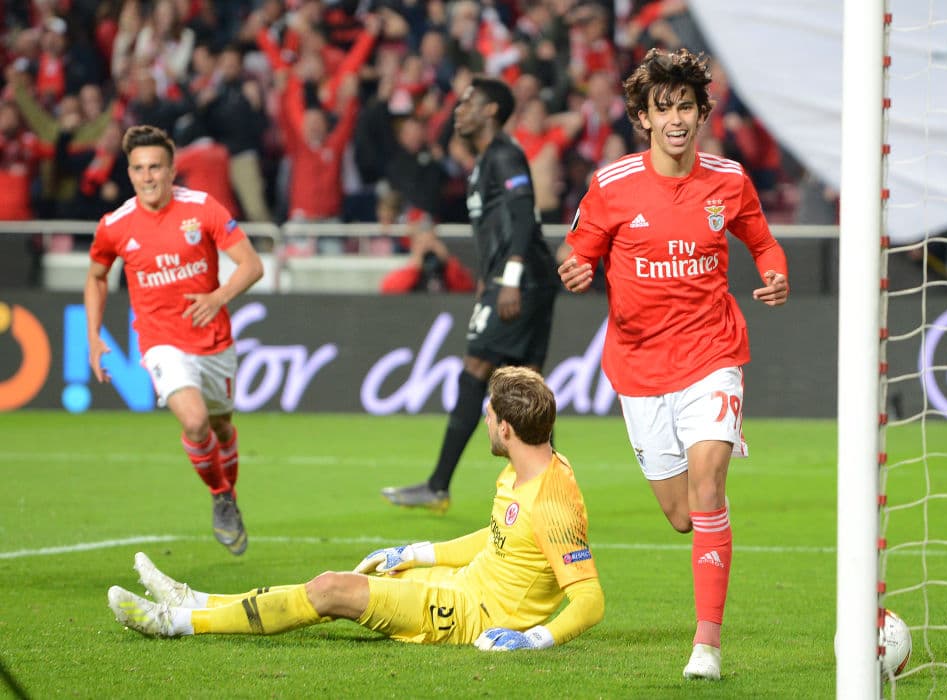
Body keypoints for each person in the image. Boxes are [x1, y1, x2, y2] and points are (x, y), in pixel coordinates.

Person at [557, 48, 790, 681]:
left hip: (713, 354)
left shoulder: (729, 180)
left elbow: (763, 242)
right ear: (642, 118)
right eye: (663, 109)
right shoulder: (610, 187)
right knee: (684, 515)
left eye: (685, 106)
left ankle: (706, 647)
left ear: (701, 112)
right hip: (638, 366)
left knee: (710, 486)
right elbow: (575, 251)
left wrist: (773, 273)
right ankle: (706, 523)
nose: (676, 119)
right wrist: (575, 269)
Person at [107, 367, 605, 650]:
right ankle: (194, 600)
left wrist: (535, 639)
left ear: (507, 431)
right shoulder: (527, 469)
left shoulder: (553, 500)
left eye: (489, 417)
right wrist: (418, 551)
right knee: (339, 585)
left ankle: (172, 623)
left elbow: (589, 600)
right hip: (458, 587)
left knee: (330, 590)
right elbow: (499, 537)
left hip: (471, 616)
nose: (485, 423)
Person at [381, 76, 561, 512]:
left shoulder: (504, 155)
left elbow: (522, 217)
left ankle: (439, 484)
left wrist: (510, 276)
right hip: (516, 278)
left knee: (479, 364)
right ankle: (552, 492)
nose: (458, 110)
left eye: (467, 103)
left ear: (491, 112)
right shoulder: (484, 162)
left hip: (521, 278)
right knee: (530, 383)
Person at [84, 125, 264, 556]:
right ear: (129, 173)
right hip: (160, 342)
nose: (148, 177)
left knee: (222, 426)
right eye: (139, 169)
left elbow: (251, 265)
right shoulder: (115, 225)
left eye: (156, 168)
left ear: (172, 170)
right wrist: (93, 336)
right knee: (196, 421)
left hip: (214, 339)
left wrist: (218, 296)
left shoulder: (202, 208)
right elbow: (96, 277)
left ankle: (228, 496)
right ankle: (220, 495)